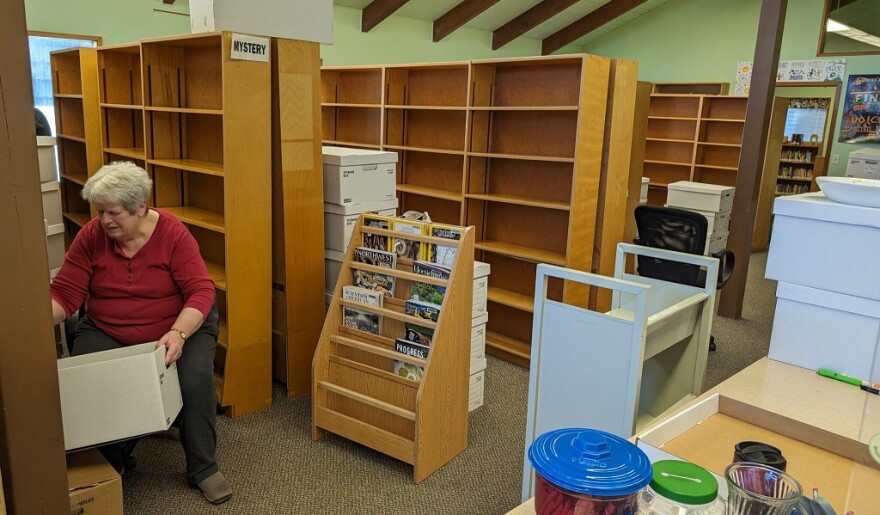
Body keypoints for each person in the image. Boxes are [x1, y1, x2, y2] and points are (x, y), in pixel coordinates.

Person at [50, 161, 232, 505]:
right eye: (100, 211)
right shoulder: (92, 235)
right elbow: (65, 294)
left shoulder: (173, 234)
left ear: (141, 207)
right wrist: (27, 327)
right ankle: (110, 462)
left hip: (178, 325)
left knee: (194, 382)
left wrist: (178, 333)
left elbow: (200, 292)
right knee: (91, 382)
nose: (104, 220)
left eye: (113, 212)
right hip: (108, 326)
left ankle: (204, 468)